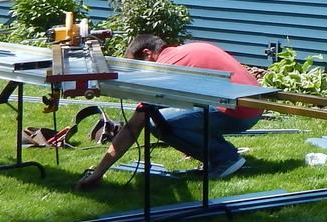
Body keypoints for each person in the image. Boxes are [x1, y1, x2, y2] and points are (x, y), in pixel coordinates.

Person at [75, 36, 264, 190]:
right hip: (253, 105)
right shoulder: (187, 50)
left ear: (147, 54)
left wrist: (98, 172)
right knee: (165, 112)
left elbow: (134, 126)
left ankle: (225, 158)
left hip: (239, 112)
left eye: (136, 66)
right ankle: (215, 154)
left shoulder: (167, 68)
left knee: (156, 121)